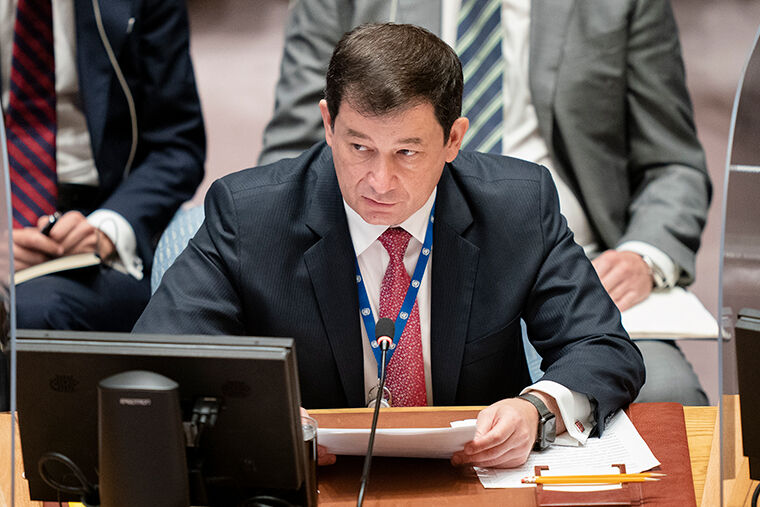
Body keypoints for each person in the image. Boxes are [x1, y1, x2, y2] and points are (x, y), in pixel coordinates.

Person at [135, 23, 644, 468]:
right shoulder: (250, 216)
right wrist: (258, 419)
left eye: (407, 152)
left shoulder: (517, 207)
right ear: (328, 124)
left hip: (473, 475)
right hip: (318, 478)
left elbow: (601, 346)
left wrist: (537, 411)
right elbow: (160, 357)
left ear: (453, 139)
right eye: (359, 147)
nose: (379, 181)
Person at [258, 0, 712, 405]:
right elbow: (290, 160)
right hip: (375, 247)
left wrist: (643, 256)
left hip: (575, 261)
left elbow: (673, 162)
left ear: (456, 138)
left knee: (667, 395)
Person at [1, 0, 205, 332]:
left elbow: (177, 146)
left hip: (96, 220)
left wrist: (107, 229)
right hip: (3, 215)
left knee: (33, 312)